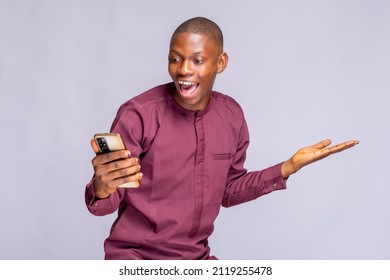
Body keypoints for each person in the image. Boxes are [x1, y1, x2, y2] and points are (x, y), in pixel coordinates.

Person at [85, 17, 359, 260]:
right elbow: (103, 204)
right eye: (175, 58)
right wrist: (102, 187)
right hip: (135, 259)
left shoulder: (231, 115)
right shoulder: (139, 114)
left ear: (221, 62)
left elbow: (226, 191)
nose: (183, 70)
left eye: (197, 60)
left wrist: (288, 167)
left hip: (196, 259)